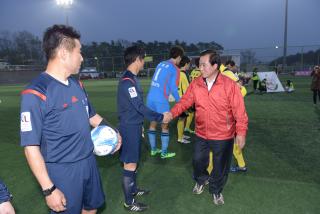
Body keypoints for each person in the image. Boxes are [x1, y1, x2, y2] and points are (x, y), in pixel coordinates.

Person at [20, 24, 121, 214]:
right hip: (62, 170)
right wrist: (49, 189)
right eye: (79, 52)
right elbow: (30, 147)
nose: (82, 58)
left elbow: (91, 116)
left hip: (89, 161)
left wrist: (114, 131)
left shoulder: (77, 84)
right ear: (64, 54)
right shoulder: (36, 92)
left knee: (92, 208)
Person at [169, 50, 248, 205]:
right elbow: (185, 102)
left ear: (215, 66)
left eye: (204, 65)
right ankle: (201, 179)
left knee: (220, 166)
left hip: (223, 135)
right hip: (201, 133)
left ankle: (216, 190)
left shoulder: (229, 85)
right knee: (198, 161)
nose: (200, 68)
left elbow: (240, 111)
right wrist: (171, 113)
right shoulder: (196, 83)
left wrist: (241, 132)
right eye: (199, 65)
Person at [117, 46, 171, 212]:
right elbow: (140, 107)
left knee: (133, 162)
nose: (143, 62)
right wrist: (161, 117)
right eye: (143, 59)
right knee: (130, 164)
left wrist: (140, 125)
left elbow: (135, 108)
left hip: (133, 126)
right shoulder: (127, 82)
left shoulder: (132, 79)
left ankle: (133, 190)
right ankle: (129, 202)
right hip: (128, 128)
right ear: (137, 59)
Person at [146, 46, 184, 158]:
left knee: (152, 123)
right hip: (161, 100)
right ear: (179, 57)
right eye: (180, 58)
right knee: (165, 126)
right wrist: (180, 102)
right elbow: (173, 87)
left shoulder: (160, 63)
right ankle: (164, 152)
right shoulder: (175, 68)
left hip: (150, 97)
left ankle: (153, 150)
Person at [184, 57, 202, 134]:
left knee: (192, 112)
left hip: (192, 93)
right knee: (199, 113)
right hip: (199, 94)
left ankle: (187, 127)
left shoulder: (193, 71)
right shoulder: (202, 72)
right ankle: (197, 129)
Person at [177, 56, 191, 144]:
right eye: (189, 64)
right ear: (186, 64)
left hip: (179, 99)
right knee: (181, 119)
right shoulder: (183, 74)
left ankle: (181, 135)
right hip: (182, 100)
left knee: (183, 118)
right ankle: (180, 138)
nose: (189, 66)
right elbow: (187, 89)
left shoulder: (177, 72)